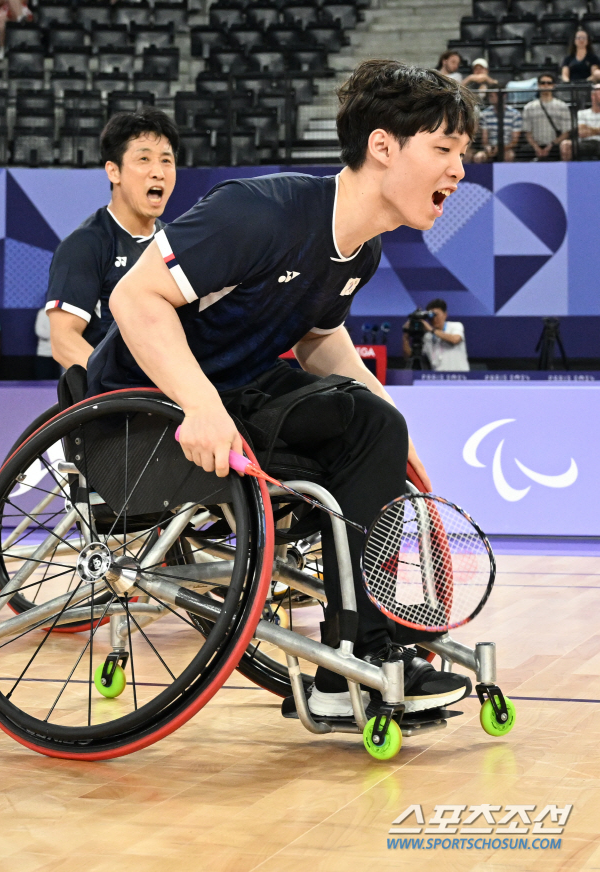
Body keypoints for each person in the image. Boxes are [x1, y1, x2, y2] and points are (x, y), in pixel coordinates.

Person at [89, 60, 477, 720]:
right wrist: (200, 406)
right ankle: (362, 656)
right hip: (143, 418)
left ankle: (353, 660)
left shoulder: (362, 251)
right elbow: (135, 296)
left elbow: (319, 341)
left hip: (235, 398)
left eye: (461, 155)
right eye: (443, 149)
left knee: (373, 423)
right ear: (383, 147)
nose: (458, 171)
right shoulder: (258, 213)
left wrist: (392, 422)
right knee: (365, 425)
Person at [46, 108, 179, 370]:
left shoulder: (176, 243)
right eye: (144, 159)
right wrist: (121, 388)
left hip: (170, 397)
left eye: (166, 160)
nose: (158, 172)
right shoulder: (85, 245)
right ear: (113, 171)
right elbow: (63, 340)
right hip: (115, 401)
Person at [402, 299, 470, 371]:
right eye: (431, 316)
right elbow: (408, 356)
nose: (434, 318)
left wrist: (432, 330)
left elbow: (455, 339)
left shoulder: (455, 326)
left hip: (459, 377)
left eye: (436, 315)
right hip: (437, 378)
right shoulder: (427, 336)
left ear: (445, 314)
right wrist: (406, 336)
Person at [522, 74, 572, 161]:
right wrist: (536, 147)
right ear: (538, 85)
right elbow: (527, 132)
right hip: (534, 145)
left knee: (565, 149)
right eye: (542, 83)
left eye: (549, 83)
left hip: (555, 145)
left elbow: (566, 132)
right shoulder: (529, 107)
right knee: (522, 152)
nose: (546, 85)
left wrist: (551, 146)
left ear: (553, 85)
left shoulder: (562, 106)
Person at [473, 88, 522, 162]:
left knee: (509, 156)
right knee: (479, 157)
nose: (490, 98)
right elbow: (484, 138)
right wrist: (487, 147)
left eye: (492, 96)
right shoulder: (485, 114)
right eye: (489, 96)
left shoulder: (515, 114)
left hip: (507, 148)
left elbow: (515, 140)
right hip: (490, 147)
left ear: (503, 96)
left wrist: (500, 149)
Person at [34, 306, 61, 379]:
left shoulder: (62, 314)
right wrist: (55, 334)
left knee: (58, 382)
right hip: (44, 354)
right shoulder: (42, 312)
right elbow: (39, 331)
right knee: (43, 380)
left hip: (59, 354)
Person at [577, 83, 600, 159]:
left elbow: (586, 131)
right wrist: (598, 130)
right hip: (586, 143)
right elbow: (582, 133)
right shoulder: (582, 113)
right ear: (593, 96)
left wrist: (589, 129)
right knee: (566, 145)